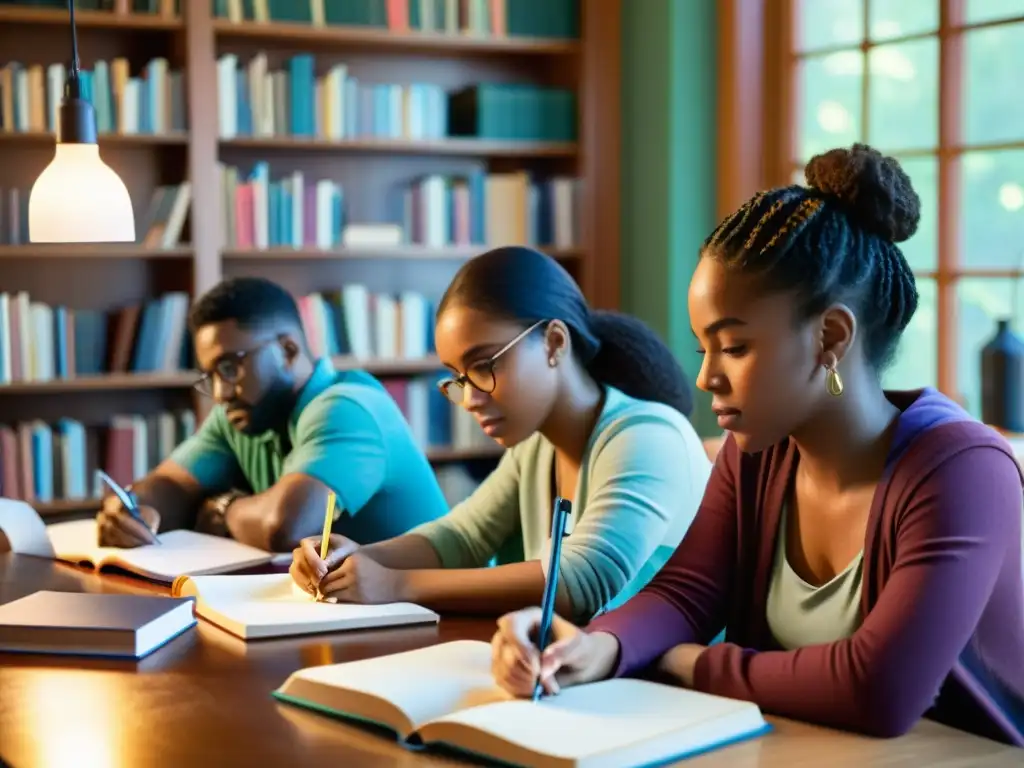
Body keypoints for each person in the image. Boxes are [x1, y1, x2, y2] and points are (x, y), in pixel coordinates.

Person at [489, 145, 1024, 745]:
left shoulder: (963, 472)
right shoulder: (757, 451)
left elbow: (880, 690)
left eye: (735, 348)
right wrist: (596, 646)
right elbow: (688, 592)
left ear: (831, 336)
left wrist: (686, 663)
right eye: (703, 349)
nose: (705, 378)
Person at [289, 246, 712, 622]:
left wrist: (395, 585)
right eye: (457, 378)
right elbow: (461, 538)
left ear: (553, 343)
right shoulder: (536, 447)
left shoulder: (649, 435)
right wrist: (351, 557)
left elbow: (580, 583)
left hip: (676, 691)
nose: (470, 398)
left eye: (485, 366)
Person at [96, 277, 450, 551]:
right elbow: (173, 484)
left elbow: (287, 527)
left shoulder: (345, 408)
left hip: (446, 616)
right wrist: (133, 510)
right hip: (365, 610)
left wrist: (222, 509)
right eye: (211, 376)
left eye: (230, 367)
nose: (220, 392)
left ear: (288, 349)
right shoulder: (240, 415)